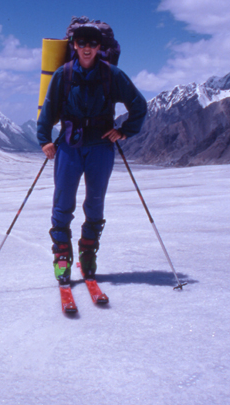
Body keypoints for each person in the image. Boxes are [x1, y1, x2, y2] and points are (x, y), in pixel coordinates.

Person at [36, 21, 147, 286]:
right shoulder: (63, 75)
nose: (87, 49)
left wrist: (124, 131)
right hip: (69, 147)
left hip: (100, 148)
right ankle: (62, 258)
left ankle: (87, 254)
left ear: (99, 47)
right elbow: (48, 112)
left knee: (94, 203)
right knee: (62, 204)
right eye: (82, 44)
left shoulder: (112, 74)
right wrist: (44, 141)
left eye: (92, 44)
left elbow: (139, 106)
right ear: (74, 46)